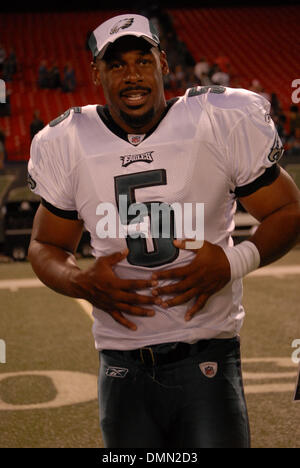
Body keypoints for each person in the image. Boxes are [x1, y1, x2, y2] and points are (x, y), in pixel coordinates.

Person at [27, 13, 300, 449]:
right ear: (96, 73)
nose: (132, 75)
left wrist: (234, 261)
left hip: (207, 353)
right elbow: (44, 244)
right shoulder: (67, 140)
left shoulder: (218, 119)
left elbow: (287, 209)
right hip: (120, 364)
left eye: (142, 60)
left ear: (164, 63)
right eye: (116, 65)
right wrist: (79, 281)